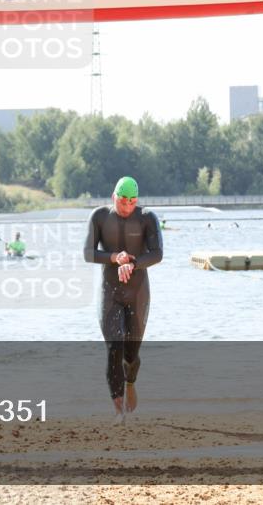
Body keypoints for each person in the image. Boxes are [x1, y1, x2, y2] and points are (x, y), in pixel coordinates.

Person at [83, 176, 163, 423]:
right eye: (122, 201)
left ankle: (131, 381)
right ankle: (118, 409)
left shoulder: (147, 217)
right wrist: (115, 258)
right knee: (114, 349)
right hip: (110, 292)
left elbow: (157, 253)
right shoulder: (99, 216)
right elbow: (88, 253)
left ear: (136, 200)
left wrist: (133, 263)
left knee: (131, 353)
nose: (127, 207)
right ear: (113, 197)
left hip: (137, 292)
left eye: (131, 202)